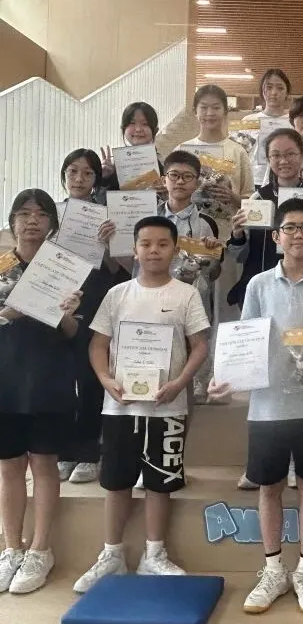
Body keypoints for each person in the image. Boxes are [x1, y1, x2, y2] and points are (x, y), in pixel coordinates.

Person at [208, 198, 303, 616]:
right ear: (277, 236)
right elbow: (243, 339)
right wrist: (225, 377)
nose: (298, 234)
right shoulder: (259, 285)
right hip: (267, 406)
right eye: (290, 228)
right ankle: (273, 569)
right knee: (269, 486)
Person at [74, 216, 210, 592]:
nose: (153, 251)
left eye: (162, 244)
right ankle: (112, 554)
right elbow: (97, 345)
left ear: (175, 249)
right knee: (116, 481)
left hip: (168, 407)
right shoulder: (117, 294)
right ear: (134, 250)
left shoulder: (186, 294)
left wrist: (180, 383)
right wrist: (106, 379)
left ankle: (154, 554)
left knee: (160, 483)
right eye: (146, 244)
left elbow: (199, 346)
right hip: (120, 406)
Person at [0, 189, 83, 594]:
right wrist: (8, 312)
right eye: (24, 213)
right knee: (8, 467)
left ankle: (39, 550)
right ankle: (11, 548)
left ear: (52, 223)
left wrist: (65, 315)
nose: (32, 220)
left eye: (41, 214)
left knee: (44, 465)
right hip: (5, 379)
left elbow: (73, 332)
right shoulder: (0, 266)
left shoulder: (63, 269)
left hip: (49, 378)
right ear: (12, 221)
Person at [55, 150, 125, 485]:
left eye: (87, 173)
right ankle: (64, 450)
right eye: (73, 172)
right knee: (61, 377)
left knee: (89, 375)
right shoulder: (51, 213)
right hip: (56, 297)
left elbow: (117, 269)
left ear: (97, 179)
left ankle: (88, 452)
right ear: (63, 175)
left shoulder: (106, 215)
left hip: (94, 296)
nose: (79, 179)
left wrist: (107, 244)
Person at [227, 128, 303, 310]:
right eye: (276, 155)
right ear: (268, 159)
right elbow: (240, 257)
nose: (283, 161)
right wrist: (238, 236)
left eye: (290, 154)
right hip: (263, 292)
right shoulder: (258, 200)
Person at [155, 150, 222, 404]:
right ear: (164, 180)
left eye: (187, 176)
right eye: (174, 175)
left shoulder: (207, 223)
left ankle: (197, 389)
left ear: (197, 182)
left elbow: (214, 274)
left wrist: (212, 256)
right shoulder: (150, 218)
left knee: (194, 350)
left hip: (193, 299)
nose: (180, 181)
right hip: (155, 297)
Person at [178, 84, 254, 227]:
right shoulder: (183, 150)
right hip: (188, 232)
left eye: (216, 107)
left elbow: (251, 201)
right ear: (195, 111)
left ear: (225, 111)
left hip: (228, 232)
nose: (210, 113)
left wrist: (232, 197)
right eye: (204, 107)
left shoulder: (238, 152)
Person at [239, 68, 291, 189]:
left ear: (287, 93)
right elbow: (240, 154)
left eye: (280, 88)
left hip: (284, 181)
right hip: (253, 180)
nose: (274, 92)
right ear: (262, 91)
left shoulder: (293, 122)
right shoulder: (248, 121)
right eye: (269, 87)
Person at [100, 102, 164, 191]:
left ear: (155, 130)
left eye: (145, 124)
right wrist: (105, 178)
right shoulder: (113, 164)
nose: (138, 129)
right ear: (123, 128)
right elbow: (102, 197)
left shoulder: (164, 165)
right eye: (132, 123)